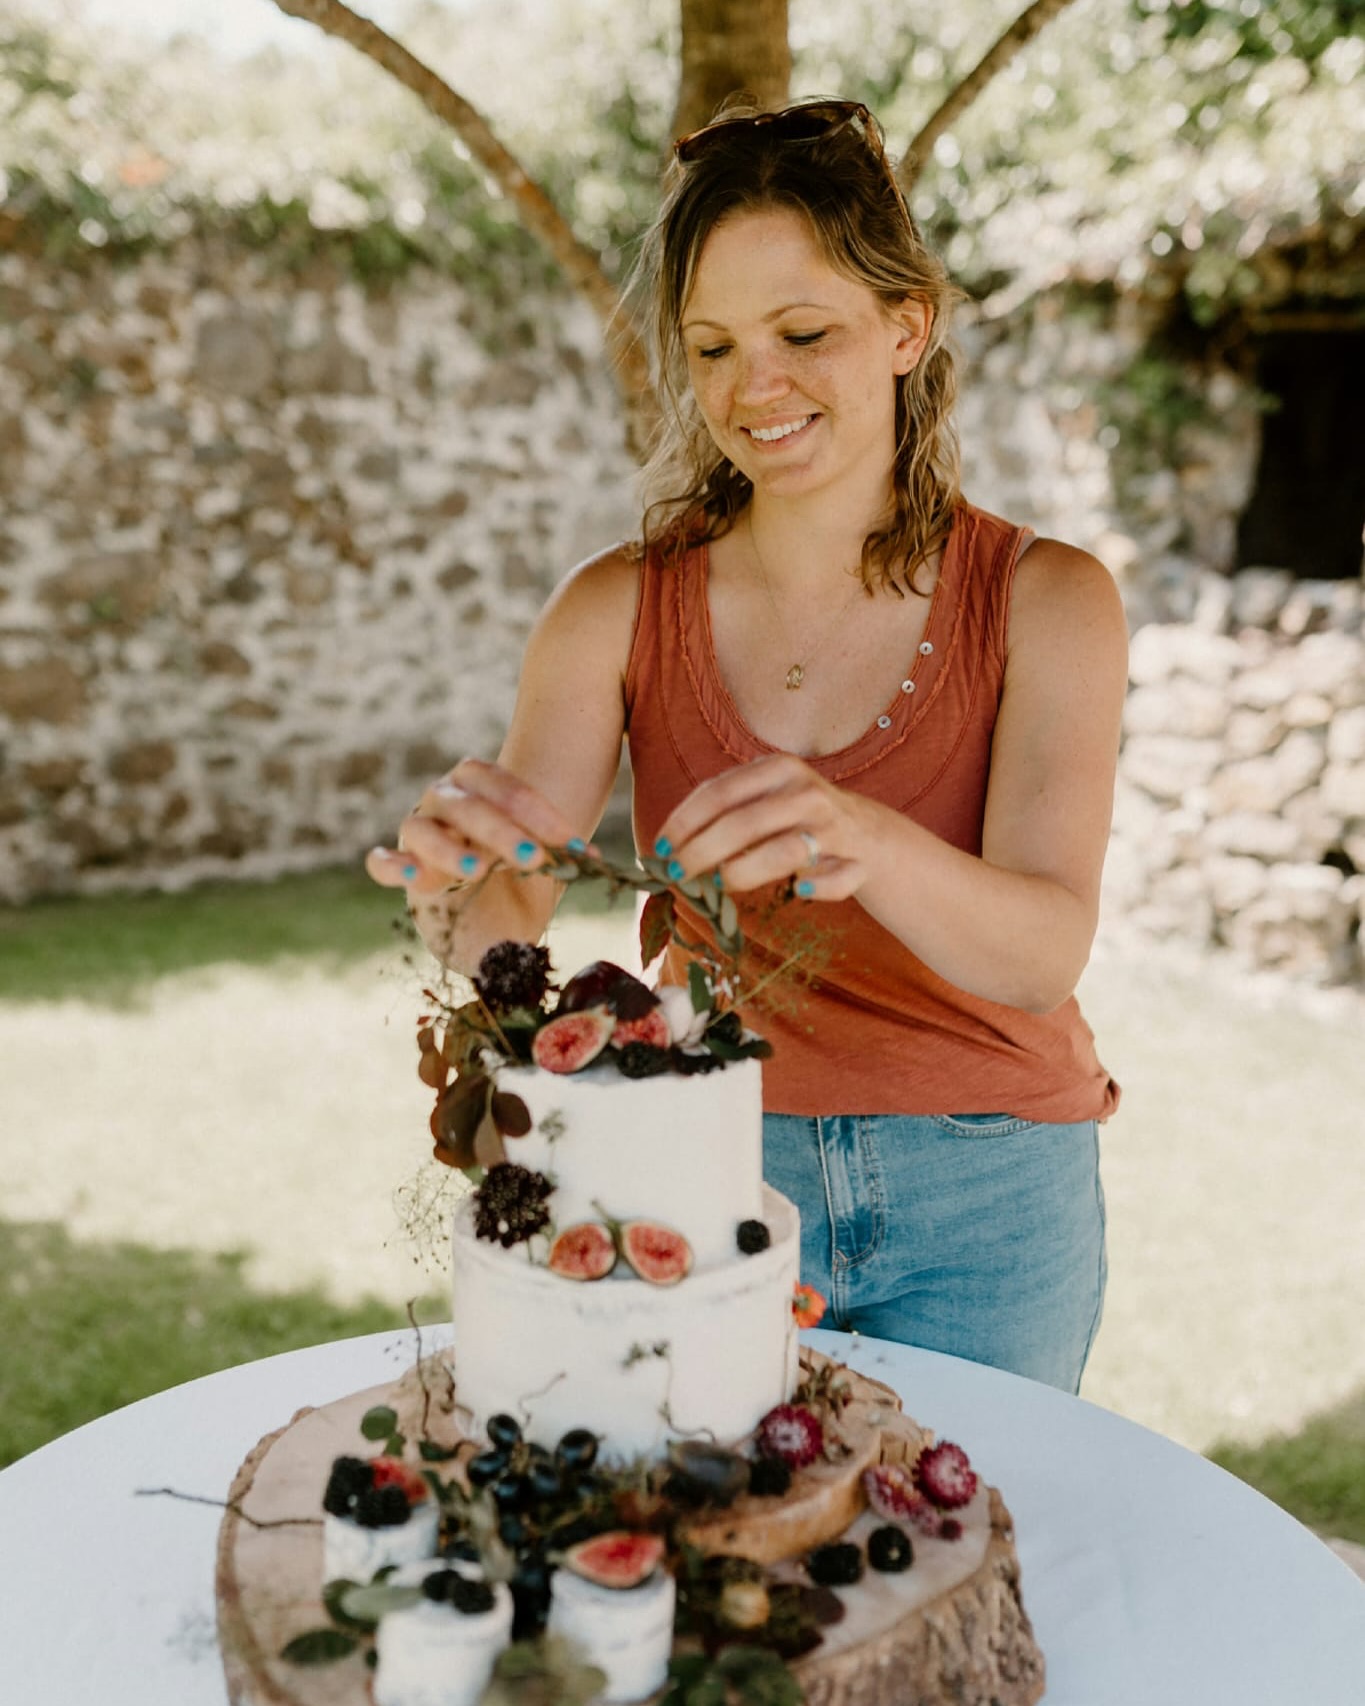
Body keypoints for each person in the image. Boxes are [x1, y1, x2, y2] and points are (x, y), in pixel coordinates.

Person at [367, 98, 1127, 1394]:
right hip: (722, 1161)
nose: (749, 387)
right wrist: (453, 881)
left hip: (993, 1189)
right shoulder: (612, 607)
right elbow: (503, 930)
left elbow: (1039, 951)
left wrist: (858, 835)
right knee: (729, 1563)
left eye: (801, 333)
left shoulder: (1047, 599)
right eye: (710, 345)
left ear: (907, 325)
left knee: (966, 1558)